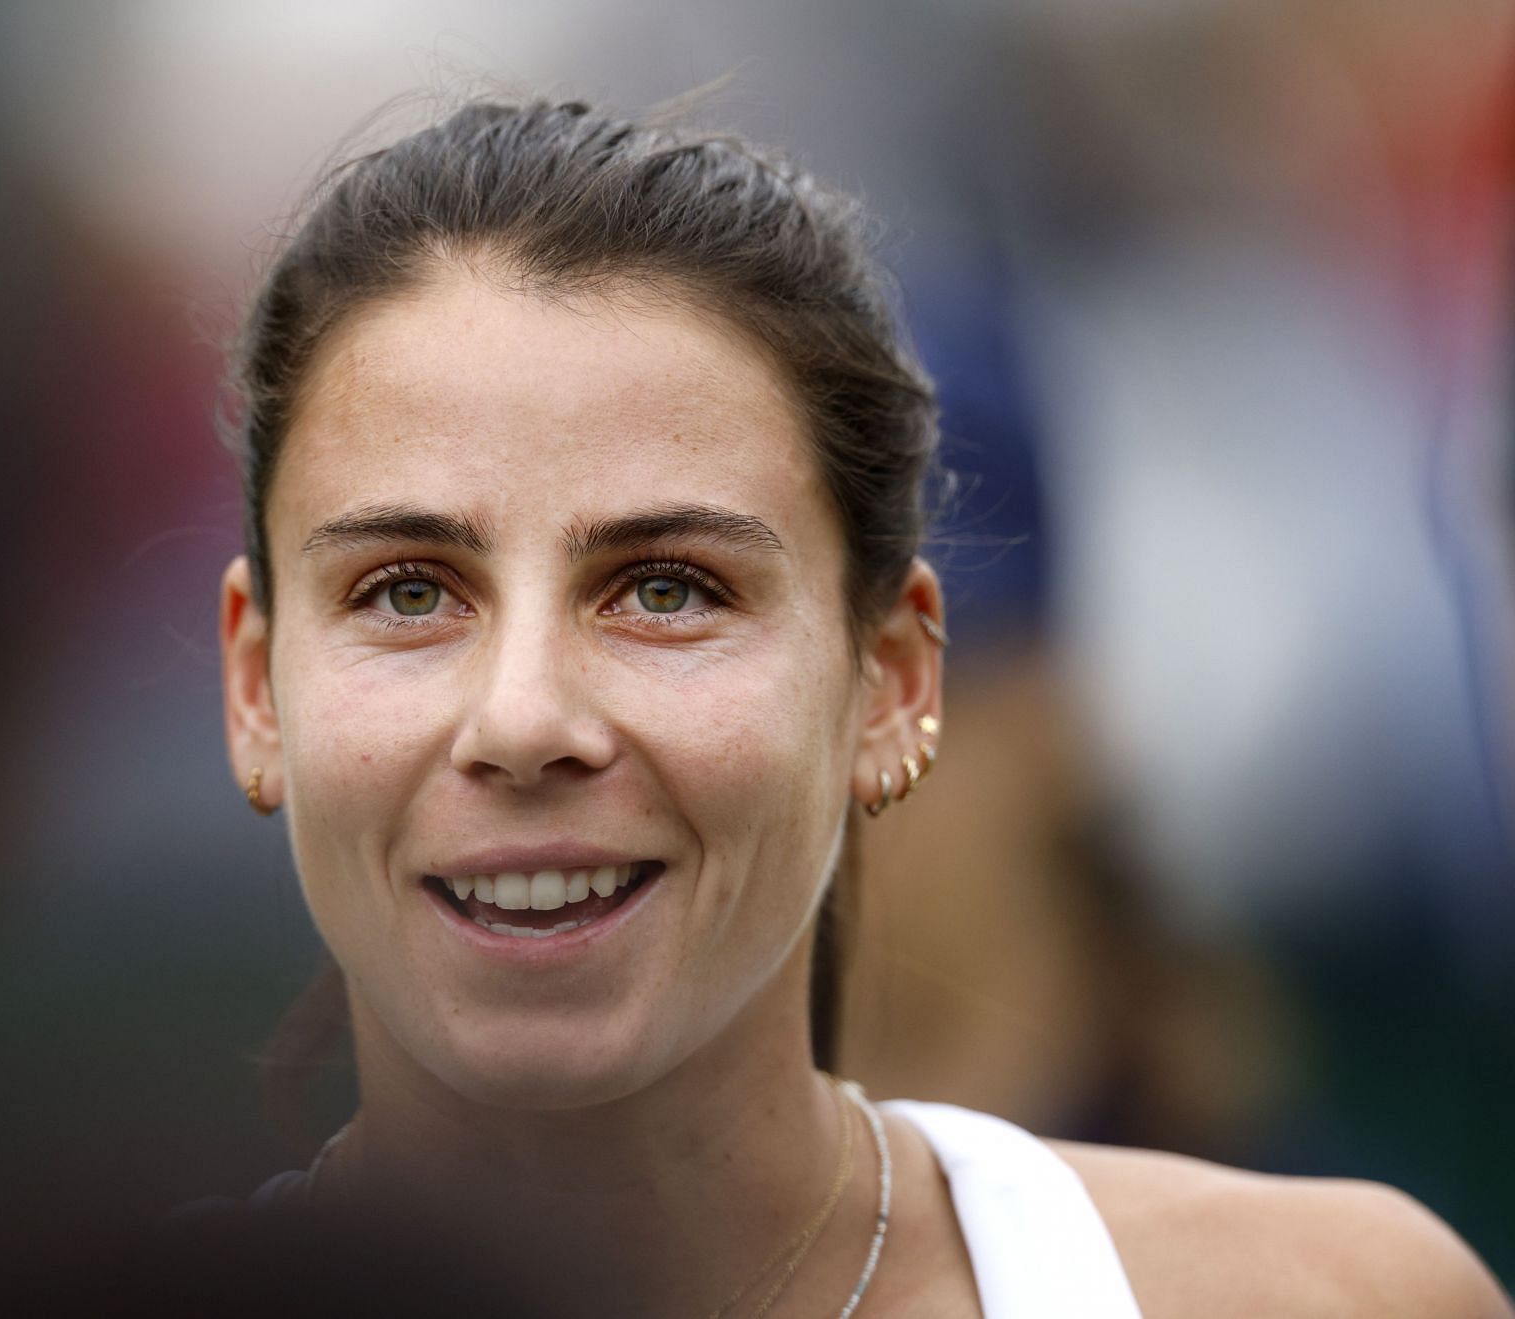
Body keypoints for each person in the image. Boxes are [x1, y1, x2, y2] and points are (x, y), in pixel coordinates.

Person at [215, 97, 1511, 1317]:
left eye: (666, 589)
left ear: (892, 680)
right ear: (254, 686)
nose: (523, 717)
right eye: (404, 591)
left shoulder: (1326, 1299)